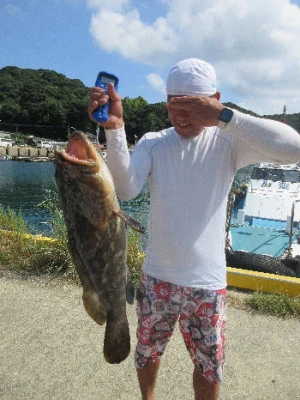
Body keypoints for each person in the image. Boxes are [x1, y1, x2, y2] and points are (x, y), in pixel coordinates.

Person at [88, 58, 300, 400]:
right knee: (147, 353)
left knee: (209, 366)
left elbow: (294, 148)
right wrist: (115, 127)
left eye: (192, 106)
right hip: (157, 277)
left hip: (207, 284)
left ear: (213, 99)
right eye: (174, 104)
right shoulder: (155, 142)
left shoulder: (229, 142)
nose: (181, 115)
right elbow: (125, 190)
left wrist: (223, 116)